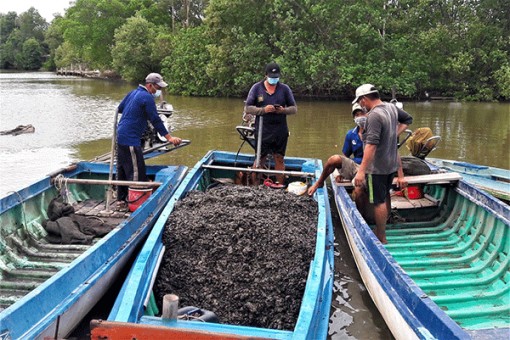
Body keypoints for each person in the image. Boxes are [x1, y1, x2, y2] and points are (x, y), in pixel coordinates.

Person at [352, 84, 412, 244]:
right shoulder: (391, 108)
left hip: (377, 167)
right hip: (391, 165)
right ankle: (382, 228)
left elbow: (371, 146)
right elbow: (407, 119)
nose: (361, 105)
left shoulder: (374, 116)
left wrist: (361, 171)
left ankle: (381, 236)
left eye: (360, 101)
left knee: (378, 201)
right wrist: (393, 134)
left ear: (364, 99)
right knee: (385, 195)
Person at [115, 73, 182, 209]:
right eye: (157, 88)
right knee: (136, 171)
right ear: (150, 85)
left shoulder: (133, 93)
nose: (159, 91)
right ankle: (134, 203)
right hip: (130, 138)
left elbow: (120, 109)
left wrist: (137, 114)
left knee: (122, 168)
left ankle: (120, 199)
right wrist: (169, 138)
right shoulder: (147, 97)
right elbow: (155, 120)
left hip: (120, 135)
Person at [244, 62, 297, 185]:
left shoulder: (284, 89)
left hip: (280, 129)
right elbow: (248, 108)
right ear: (266, 75)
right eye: (271, 77)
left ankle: (280, 187)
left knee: (279, 158)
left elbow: (294, 109)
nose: (274, 79)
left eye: (276, 77)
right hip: (263, 129)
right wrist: (263, 110)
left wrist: (283, 110)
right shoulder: (256, 88)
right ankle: (255, 186)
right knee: (260, 158)